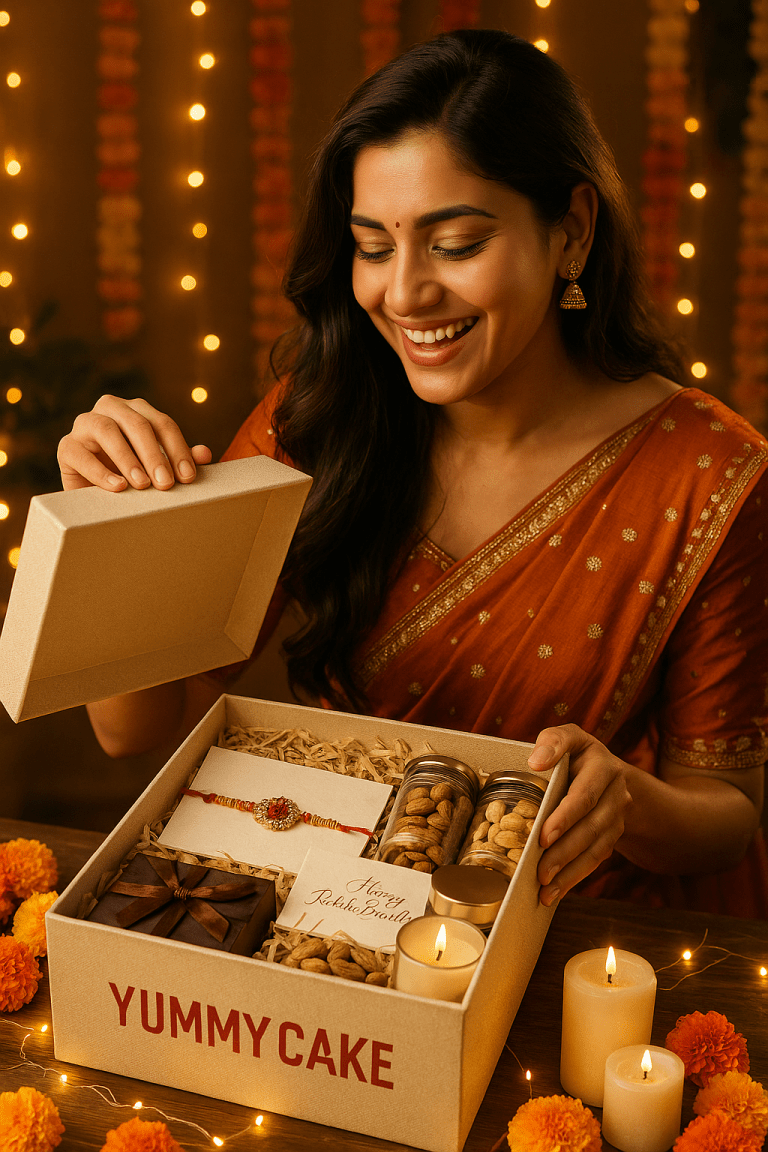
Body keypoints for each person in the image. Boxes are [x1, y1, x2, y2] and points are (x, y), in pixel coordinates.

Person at [58, 30, 767, 917]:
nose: (404, 295)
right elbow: (134, 727)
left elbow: (729, 813)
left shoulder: (707, 472)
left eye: (457, 243)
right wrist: (114, 522)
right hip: (337, 919)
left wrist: (622, 799)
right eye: (373, 245)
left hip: (577, 927)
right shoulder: (317, 418)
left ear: (572, 233)